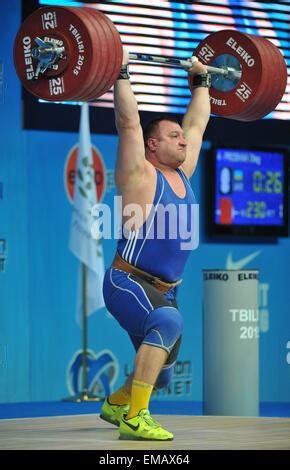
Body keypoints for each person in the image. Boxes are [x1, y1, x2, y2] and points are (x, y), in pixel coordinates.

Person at [100, 48, 210, 441]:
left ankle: (116, 403)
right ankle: (135, 417)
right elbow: (129, 123)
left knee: (161, 373)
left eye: (181, 136)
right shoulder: (140, 175)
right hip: (126, 281)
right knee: (168, 322)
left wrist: (200, 80)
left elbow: (197, 122)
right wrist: (121, 69)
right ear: (152, 145)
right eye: (173, 135)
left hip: (166, 290)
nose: (183, 139)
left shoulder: (184, 172)